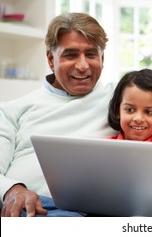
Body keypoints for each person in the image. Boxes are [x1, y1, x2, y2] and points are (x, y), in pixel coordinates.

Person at [0, 12, 116, 217]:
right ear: (51, 59)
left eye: (91, 54)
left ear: (102, 58)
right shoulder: (13, 109)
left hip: (80, 212)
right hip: (21, 206)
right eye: (70, 55)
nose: (82, 65)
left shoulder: (121, 102)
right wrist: (12, 189)